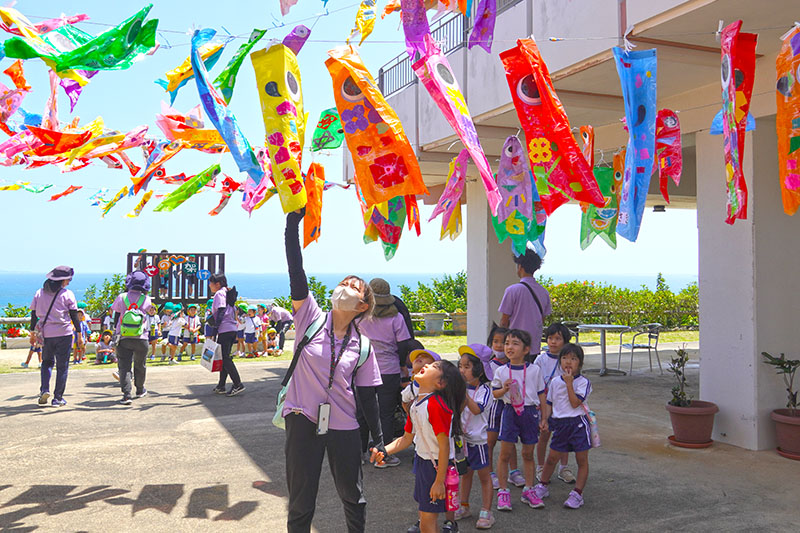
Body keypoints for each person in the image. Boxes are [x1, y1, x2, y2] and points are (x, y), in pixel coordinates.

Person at [281, 210, 384, 533]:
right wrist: (291, 228)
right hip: (301, 417)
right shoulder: (309, 317)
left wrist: (379, 441)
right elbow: (296, 271)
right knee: (301, 500)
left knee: (353, 495)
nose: (344, 287)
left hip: (344, 425)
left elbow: (368, 397)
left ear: (363, 305)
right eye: (343, 283)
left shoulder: (363, 345)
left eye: (353, 287)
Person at [371, 360, 466, 533]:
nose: (428, 365)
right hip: (424, 463)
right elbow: (406, 439)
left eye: (434, 367)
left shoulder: (435, 406)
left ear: (440, 383)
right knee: (425, 518)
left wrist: (438, 481)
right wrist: (384, 451)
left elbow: (444, 447)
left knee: (428, 521)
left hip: (436, 466)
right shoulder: (417, 403)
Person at [357, 277, 413, 468]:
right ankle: (384, 454)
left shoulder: (360, 317)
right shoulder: (396, 318)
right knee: (385, 413)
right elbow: (403, 343)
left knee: (362, 413)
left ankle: (360, 453)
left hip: (363, 370)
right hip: (389, 370)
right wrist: (401, 363)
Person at [491, 329, 547, 512]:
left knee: (528, 453)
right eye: (507, 343)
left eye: (515, 343)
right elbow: (495, 393)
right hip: (509, 411)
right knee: (505, 454)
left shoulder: (534, 370)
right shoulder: (501, 371)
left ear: (526, 349)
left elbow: (541, 394)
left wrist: (544, 417)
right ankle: (503, 492)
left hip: (530, 412)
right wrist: (504, 390)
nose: (509, 347)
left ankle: (529, 490)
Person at [532, 343, 592, 509]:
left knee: (581, 460)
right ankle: (542, 486)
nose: (568, 362)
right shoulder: (555, 382)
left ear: (579, 363)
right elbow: (550, 403)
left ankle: (577, 494)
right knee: (551, 458)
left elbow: (574, 403)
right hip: (560, 424)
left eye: (573, 359)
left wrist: (569, 384)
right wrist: (545, 419)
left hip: (578, 424)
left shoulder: (583, 383)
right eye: (564, 358)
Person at [30, 265, 83, 407]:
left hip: (46, 334)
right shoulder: (68, 294)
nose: (69, 282)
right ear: (62, 280)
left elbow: (34, 315)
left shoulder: (39, 293)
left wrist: (32, 333)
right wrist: (79, 333)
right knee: (62, 366)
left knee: (46, 362)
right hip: (64, 333)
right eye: (68, 280)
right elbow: (74, 316)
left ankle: (44, 390)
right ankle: (57, 398)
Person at [455, 345, 496, 530]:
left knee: (484, 476)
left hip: (478, 441)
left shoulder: (485, 391)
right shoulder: (462, 388)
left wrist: (462, 392)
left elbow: (476, 409)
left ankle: (487, 511)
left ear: (479, 370)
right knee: (465, 474)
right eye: (460, 366)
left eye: (467, 366)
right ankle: (464, 506)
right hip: (462, 440)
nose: (462, 370)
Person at [533, 323, 574, 483]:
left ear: (565, 341)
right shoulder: (541, 359)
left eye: (558, 338)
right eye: (550, 338)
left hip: (563, 405)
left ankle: (564, 468)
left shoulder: (568, 360)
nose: (553, 342)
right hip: (544, 405)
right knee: (543, 436)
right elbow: (533, 380)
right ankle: (541, 467)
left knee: (563, 437)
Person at [498, 250, 552, 362]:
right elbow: (542, 319)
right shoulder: (544, 292)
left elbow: (504, 322)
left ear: (520, 266)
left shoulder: (512, 290)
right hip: (533, 347)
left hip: (514, 347)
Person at [110, 271, 154, 405]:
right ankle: (140, 390)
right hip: (141, 337)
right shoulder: (146, 299)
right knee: (140, 365)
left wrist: (115, 331)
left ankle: (127, 395)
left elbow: (116, 316)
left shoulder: (122, 297)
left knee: (124, 366)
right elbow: (150, 313)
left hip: (123, 337)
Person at [485, 324, 516, 491]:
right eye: (495, 341)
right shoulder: (489, 365)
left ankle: (514, 471)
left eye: (503, 342)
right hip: (494, 407)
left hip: (510, 407)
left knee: (509, 440)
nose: (499, 345)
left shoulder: (515, 365)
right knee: (490, 441)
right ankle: (489, 472)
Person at [207, 272, 245, 396]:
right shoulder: (227, 292)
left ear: (217, 284)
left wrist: (216, 327)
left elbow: (221, 310)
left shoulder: (219, 293)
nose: (209, 286)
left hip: (225, 328)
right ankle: (221, 385)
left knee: (225, 358)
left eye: (211, 283)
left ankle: (238, 384)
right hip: (232, 328)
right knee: (224, 357)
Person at [401, 346, 439, 414]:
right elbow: (404, 401)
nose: (419, 357)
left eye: (425, 356)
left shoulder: (438, 386)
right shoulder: (411, 388)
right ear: (413, 372)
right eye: (417, 357)